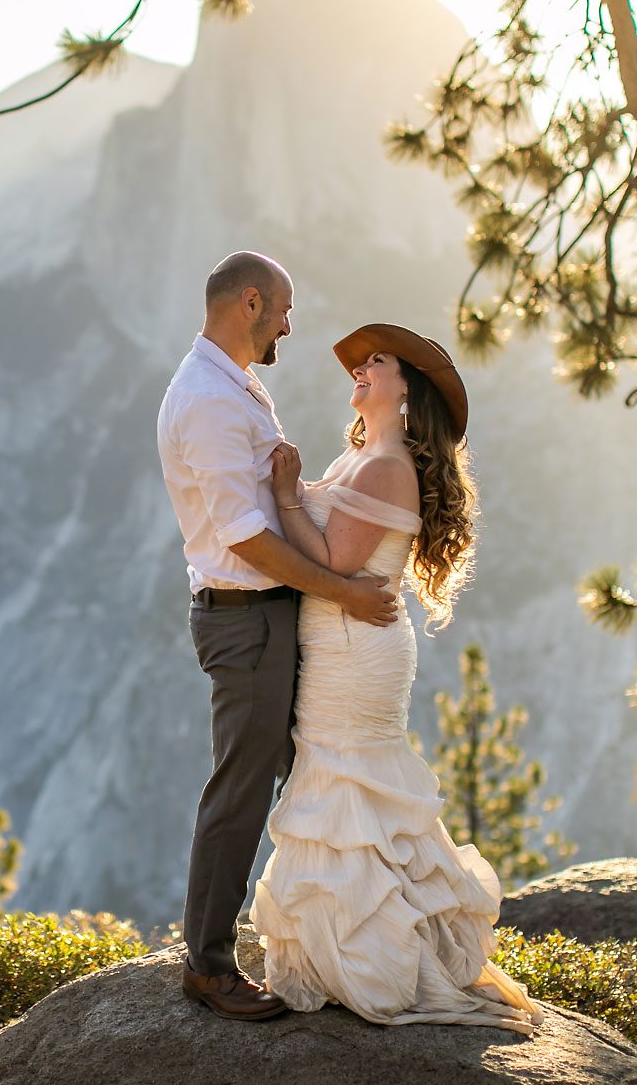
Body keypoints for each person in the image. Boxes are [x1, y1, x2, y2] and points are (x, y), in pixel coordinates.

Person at [249, 322, 544, 1034]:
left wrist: (288, 496)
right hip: (344, 639)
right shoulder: (366, 455)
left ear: (406, 388)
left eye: (374, 363)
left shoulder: (385, 466)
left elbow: (335, 560)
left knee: (345, 781)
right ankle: (359, 945)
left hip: (356, 645)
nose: (360, 370)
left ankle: (370, 959)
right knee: (344, 780)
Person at [156, 252, 401, 1021]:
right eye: (285, 310)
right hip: (247, 617)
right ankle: (208, 965)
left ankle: (327, 936)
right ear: (251, 302)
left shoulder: (232, 384)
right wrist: (346, 593)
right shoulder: (208, 399)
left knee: (296, 771)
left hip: (269, 615)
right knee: (243, 783)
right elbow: (247, 539)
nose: (291, 325)